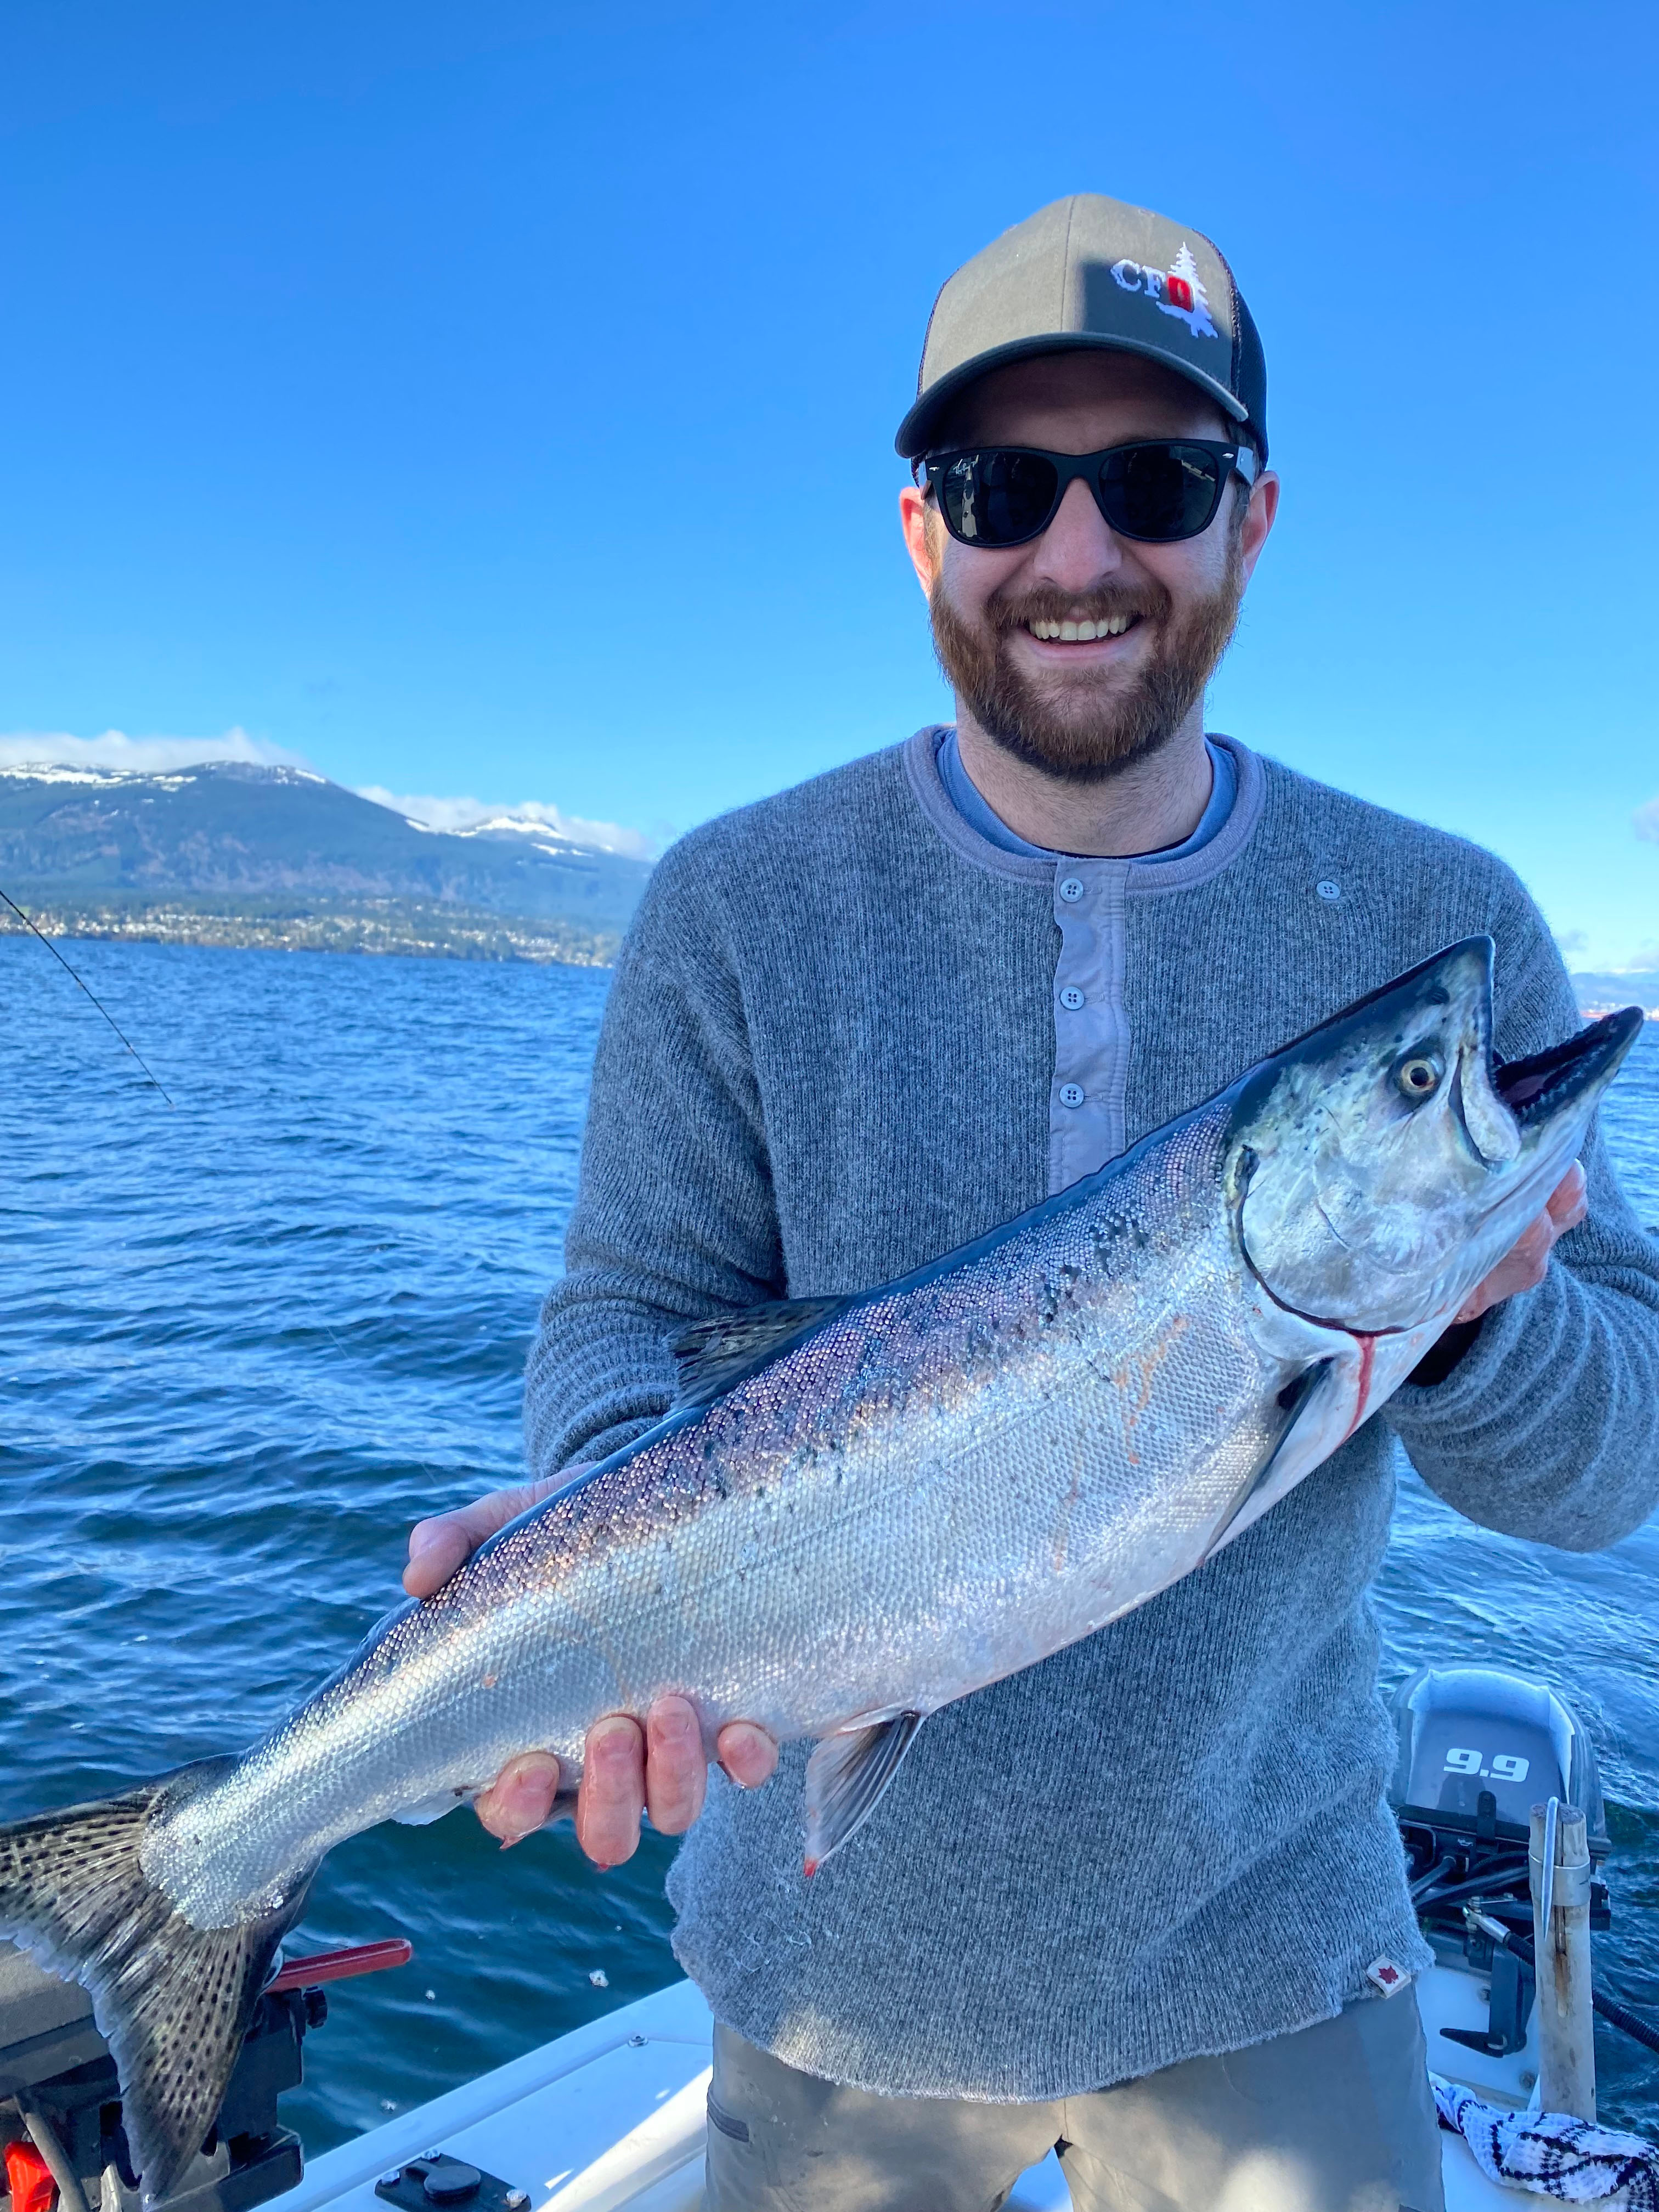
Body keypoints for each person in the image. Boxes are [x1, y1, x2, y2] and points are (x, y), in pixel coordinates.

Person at [404, 194, 1659, 2211]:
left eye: (1156, 480)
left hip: (1274, 1955)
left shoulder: (1445, 923)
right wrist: (608, 1542)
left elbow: (1620, 1462)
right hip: (828, 1974)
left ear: (1251, 520)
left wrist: (1482, 1309)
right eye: (1004, 487)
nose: (1077, 558)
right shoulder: (733, 909)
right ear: (925, 531)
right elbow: (626, 1314)